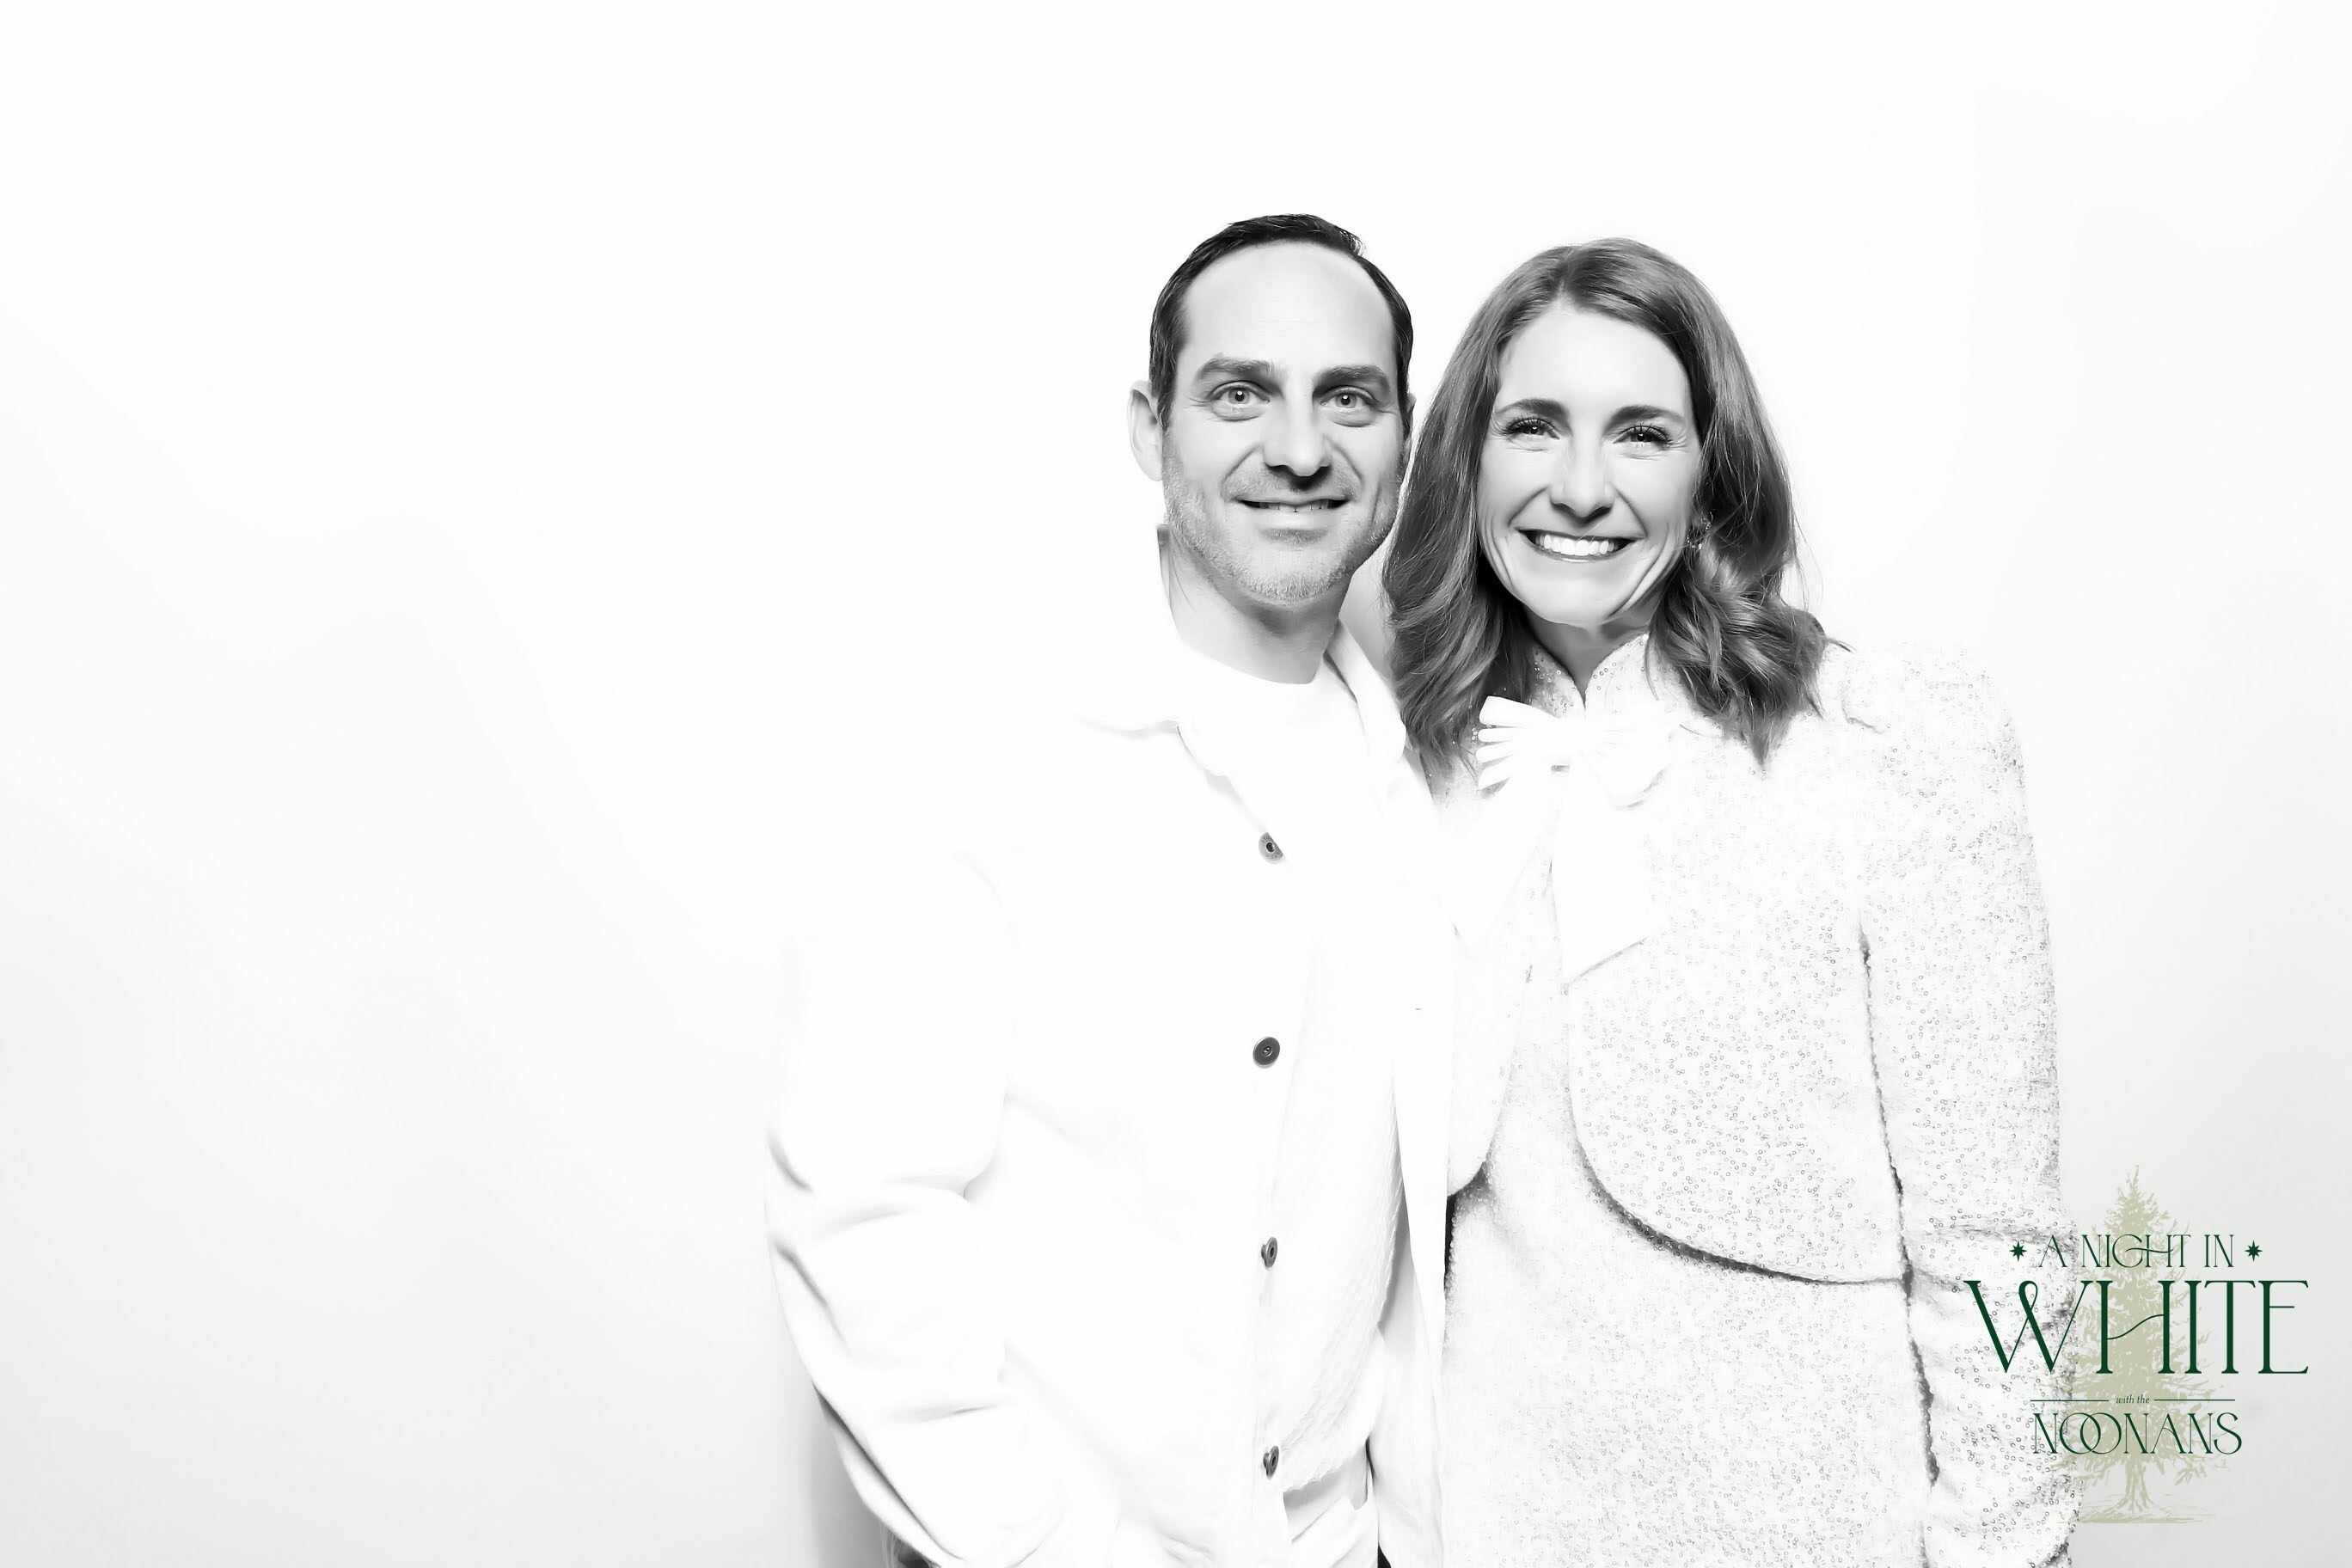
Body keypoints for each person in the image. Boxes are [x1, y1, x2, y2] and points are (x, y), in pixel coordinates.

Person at [1382, 239, 2079, 1565]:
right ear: (1468, 459)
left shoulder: (1881, 741)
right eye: (1533, 426)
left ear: (1713, 474)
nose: (1580, 485)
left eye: (1641, 433)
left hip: (1818, 1525)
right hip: (1499, 1526)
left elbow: (1999, 1244)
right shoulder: (1413, 769)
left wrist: (2004, 1547)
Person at [769, 215, 1451, 1568]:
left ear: (1404, 440)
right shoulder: (978, 749)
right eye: (1240, 394)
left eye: (1349, 399)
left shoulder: (1424, 783)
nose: (1300, 449)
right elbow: (863, 1212)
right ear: (1151, 428)